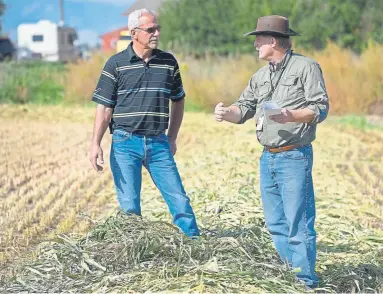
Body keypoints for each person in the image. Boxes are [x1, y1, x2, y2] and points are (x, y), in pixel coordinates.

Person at [214, 15, 329, 287]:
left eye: (258, 39)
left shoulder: (307, 67)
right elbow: (242, 109)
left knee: (298, 224)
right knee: (276, 224)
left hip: (294, 157)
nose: (255, 45)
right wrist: (225, 112)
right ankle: (290, 278)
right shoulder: (259, 76)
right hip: (268, 158)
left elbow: (320, 108)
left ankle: (305, 282)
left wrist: (292, 115)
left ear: (273, 40)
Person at [89, 8, 200, 237]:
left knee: (179, 200)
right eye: (150, 29)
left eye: (157, 28)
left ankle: (194, 246)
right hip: (124, 143)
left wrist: (172, 137)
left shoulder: (168, 62)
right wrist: (95, 144)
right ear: (134, 33)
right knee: (129, 206)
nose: (156, 33)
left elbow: (178, 100)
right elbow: (104, 108)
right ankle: (134, 250)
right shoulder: (116, 64)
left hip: (159, 143)